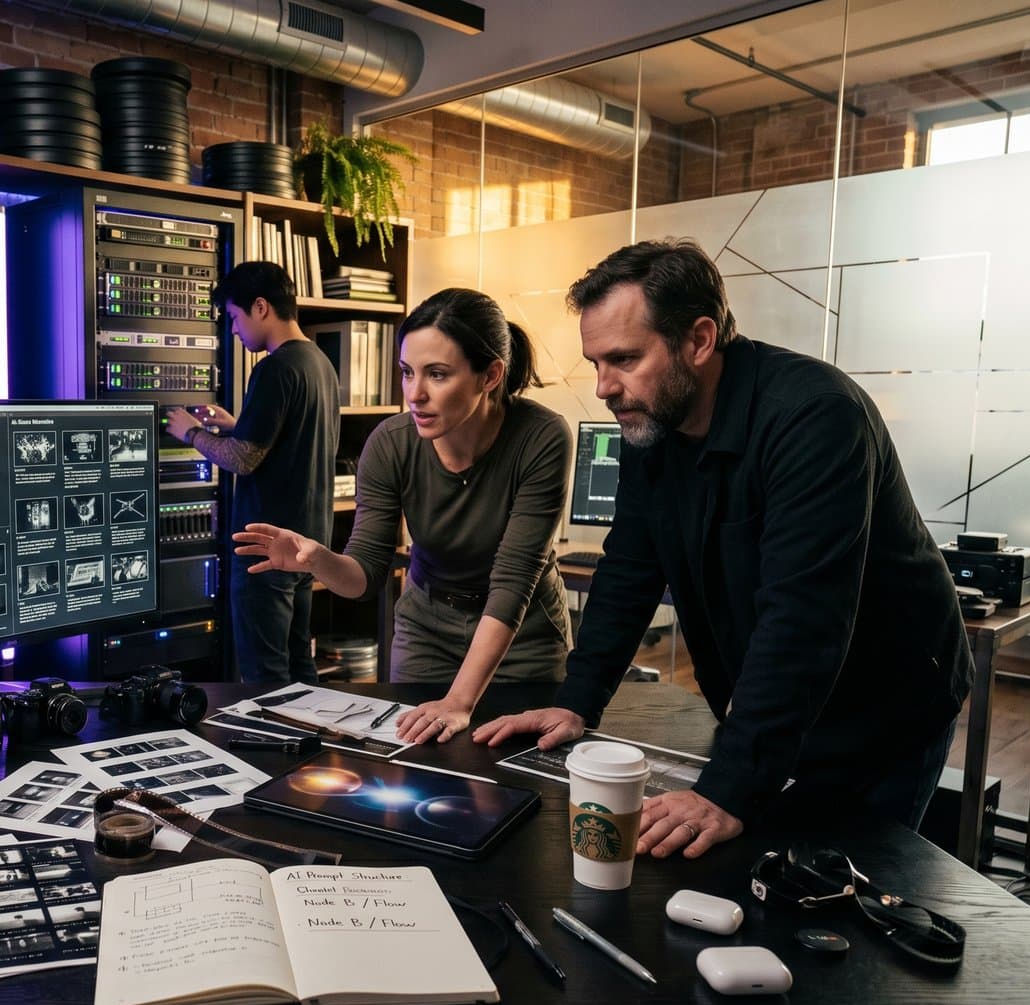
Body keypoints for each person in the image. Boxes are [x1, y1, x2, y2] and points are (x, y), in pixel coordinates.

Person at [474, 238, 974, 859]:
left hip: (884, 701)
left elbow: (803, 617)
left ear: (700, 339)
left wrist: (731, 788)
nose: (604, 386)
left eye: (625, 359)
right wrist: (577, 704)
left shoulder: (816, 416)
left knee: (847, 882)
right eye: (596, 362)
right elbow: (628, 569)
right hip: (784, 698)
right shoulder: (650, 423)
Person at [235, 288, 574, 742]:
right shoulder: (389, 443)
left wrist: (459, 702)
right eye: (407, 372)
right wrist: (318, 558)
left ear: (490, 375)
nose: (415, 393)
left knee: (518, 769)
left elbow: (513, 580)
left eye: (437, 374)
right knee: (415, 761)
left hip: (522, 634)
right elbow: (364, 576)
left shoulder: (542, 436)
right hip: (427, 627)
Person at [166, 261, 338, 685]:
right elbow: (286, 439)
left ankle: (273, 748)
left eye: (235, 318)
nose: (234, 331)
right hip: (305, 542)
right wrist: (235, 424)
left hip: (264, 548)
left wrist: (190, 433)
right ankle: (307, 744)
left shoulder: (274, 368)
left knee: (266, 673)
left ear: (260, 307)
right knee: (299, 662)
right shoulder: (319, 363)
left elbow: (243, 459)